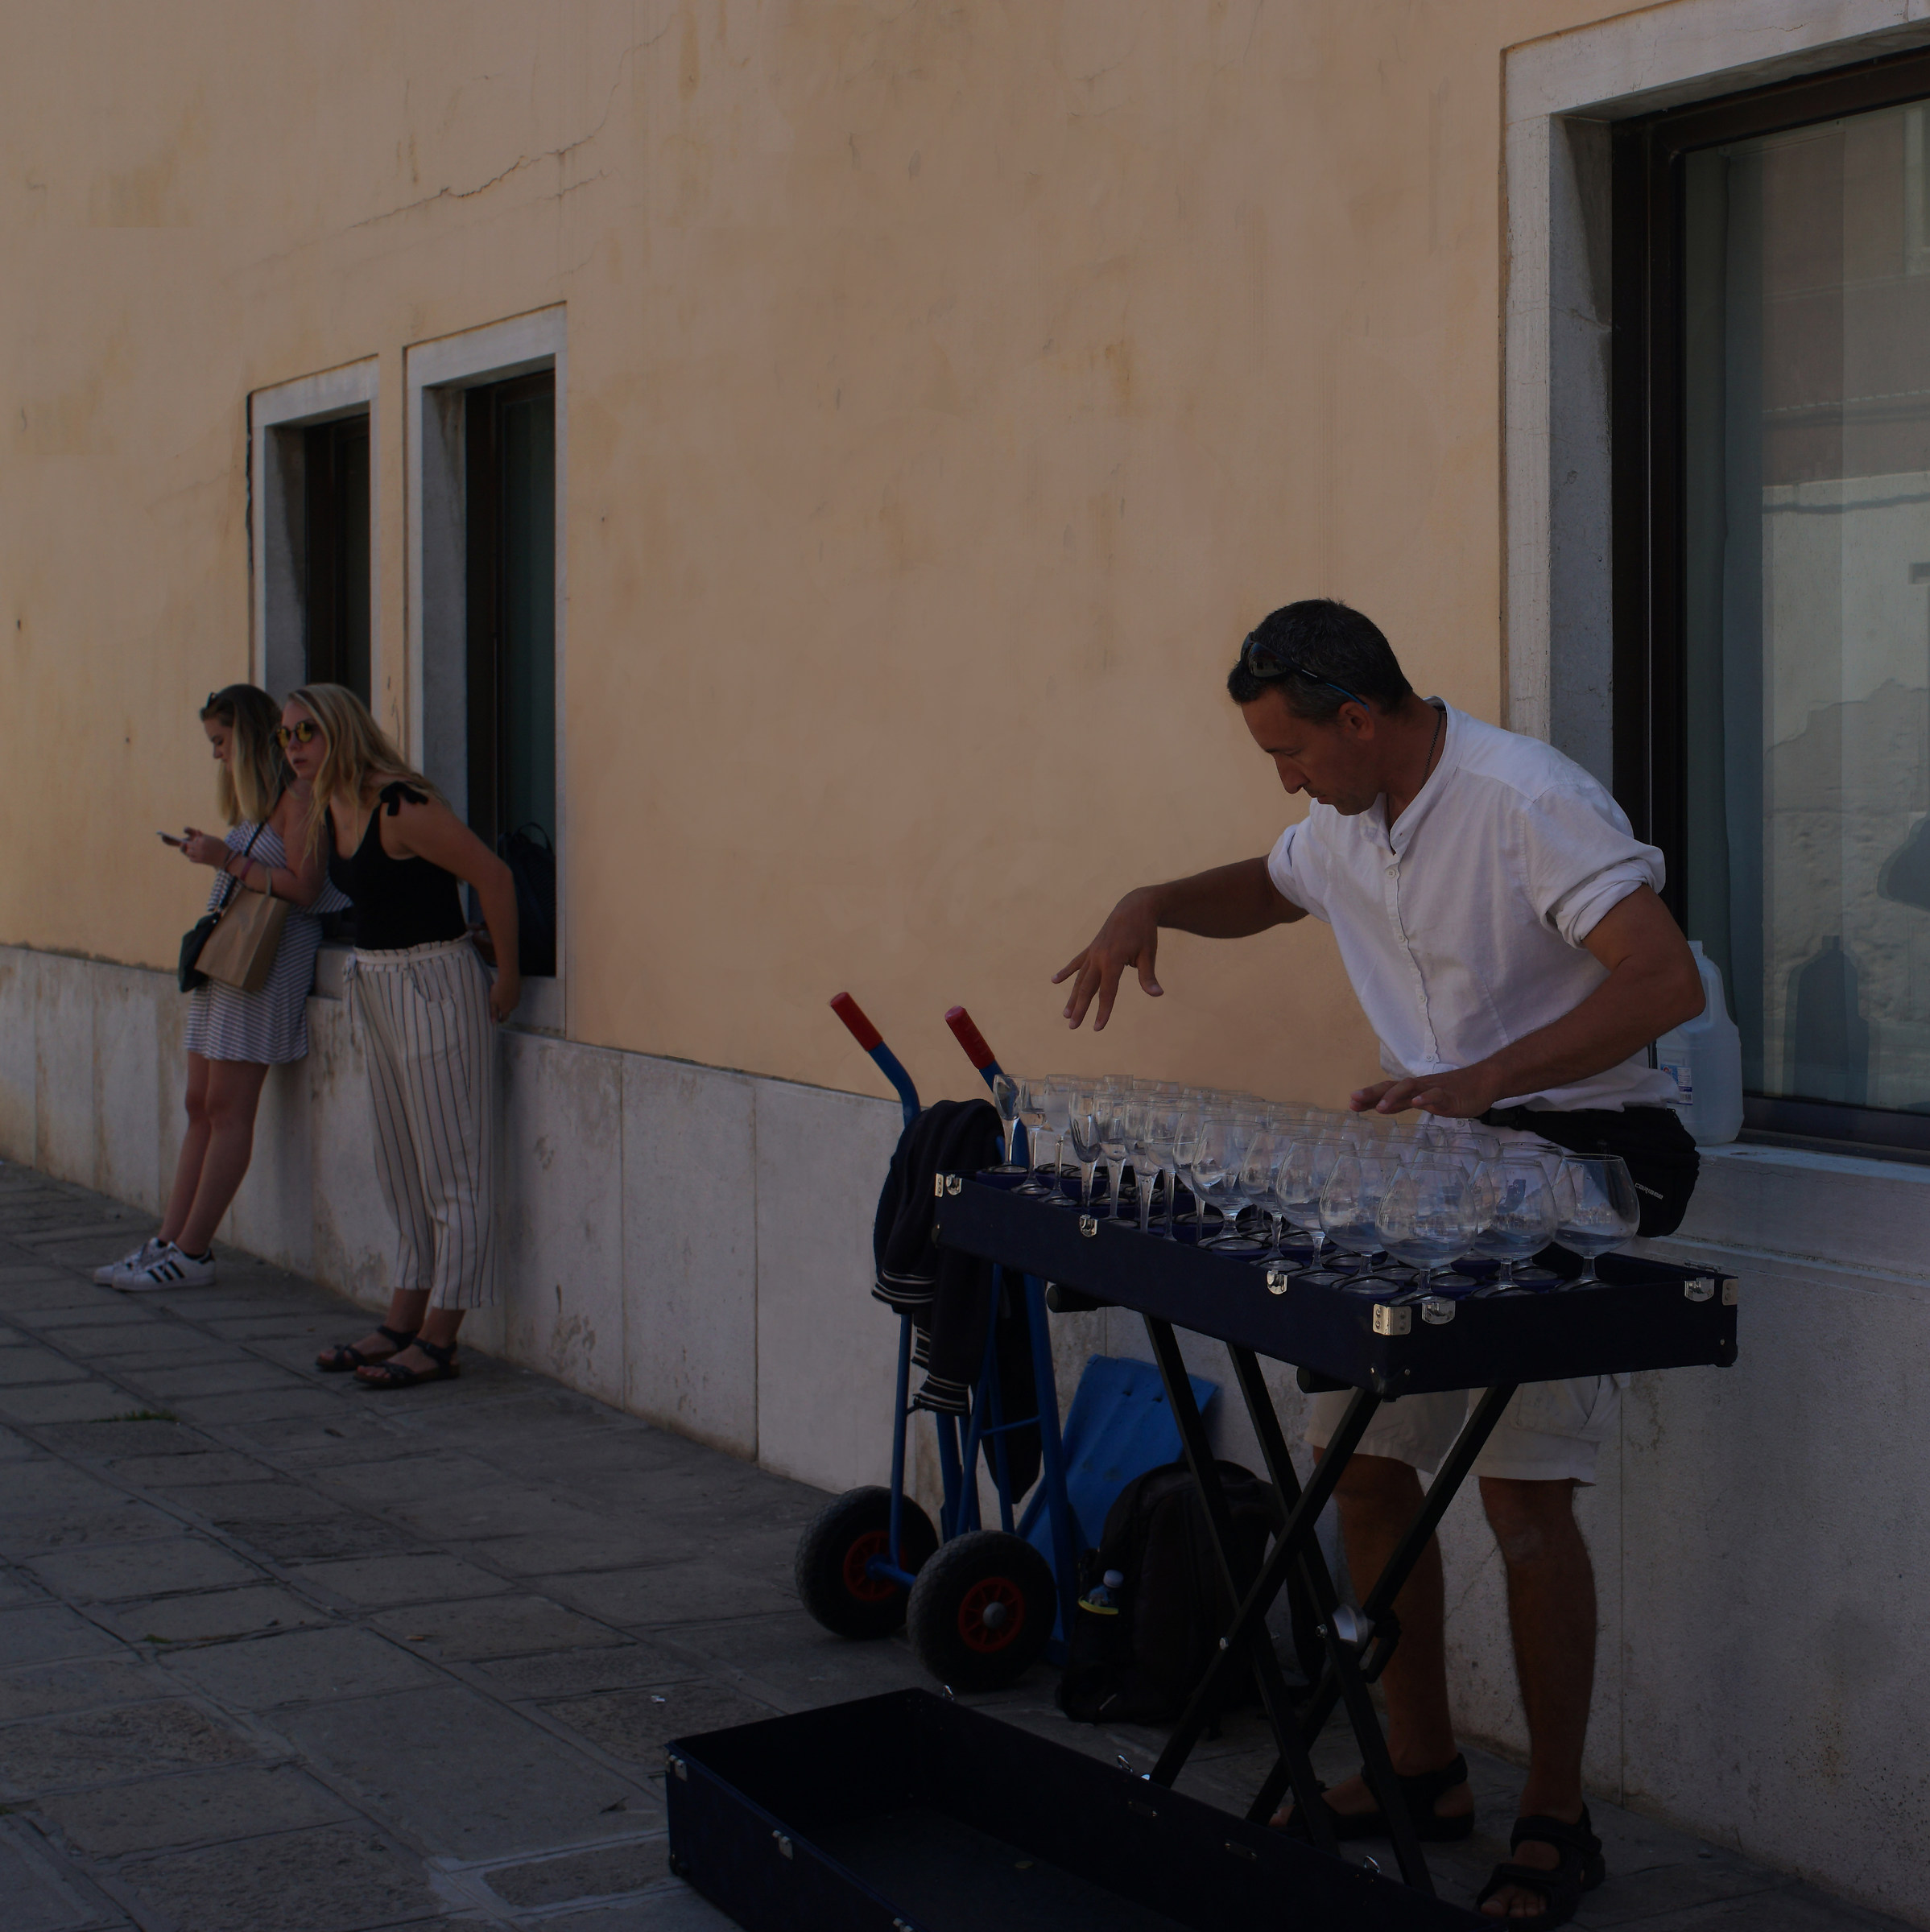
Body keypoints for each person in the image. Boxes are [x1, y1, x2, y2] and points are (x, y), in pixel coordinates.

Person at [1053, 599, 1707, 1929]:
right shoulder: (1348, 820)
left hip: (1578, 1158)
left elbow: (1661, 983)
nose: (1285, 783)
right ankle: (1420, 1767)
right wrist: (1150, 903)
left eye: (1289, 754)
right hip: (1438, 1164)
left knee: (1522, 1505)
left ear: (1358, 719)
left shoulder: (1526, 798)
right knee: (1355, 1463)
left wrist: (1483, 1080)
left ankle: (1556, 1818)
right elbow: (1272, 884)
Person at [282, 683, 519, 1389]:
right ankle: (401, 1321)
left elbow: (493, 876)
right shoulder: (330, 804)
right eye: (285, 735)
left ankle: (441, 1340)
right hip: (376, 983)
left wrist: (507, 974)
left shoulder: (401, 805)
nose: (293, 746)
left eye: (306, 731)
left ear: (340, 730)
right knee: (400, 1165)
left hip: (434, 982)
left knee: (453, 1167)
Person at [101, 686, 337, 1292]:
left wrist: (223, 859)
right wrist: (215, 851)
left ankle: (194, 1252)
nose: (216, 755)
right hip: (229, 963)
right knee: (199, 1105)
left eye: (221, 741)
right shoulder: (257, 805)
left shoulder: (298, 798)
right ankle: (168, 1241)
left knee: (229, 1110)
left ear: (249, 738)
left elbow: (305, 887)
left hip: (264, 965)